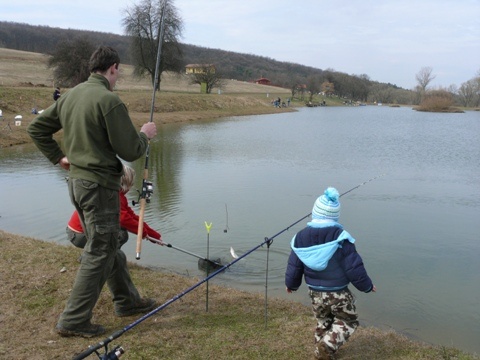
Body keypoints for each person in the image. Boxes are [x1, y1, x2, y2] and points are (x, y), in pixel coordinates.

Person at [27, 46, 158, 338]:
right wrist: (145, 135)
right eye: (119, 70)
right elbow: (131, 150)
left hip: (77, 184)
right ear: (112, 68)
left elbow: (36, 129)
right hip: (98, 188)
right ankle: (73, 320)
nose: (119, 76)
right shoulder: (109, 101)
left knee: (107, 246)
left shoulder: (71, 95)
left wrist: (58, 157)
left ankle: (127, 301)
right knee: (100, 251)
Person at [285, 187, 376, 360]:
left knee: (323, 321)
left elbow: (294, 266)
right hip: (338, 291)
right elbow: (354, 268)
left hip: (314, 292)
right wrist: (367, 286)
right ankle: (327, 346)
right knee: (349, 321)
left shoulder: (300, 237)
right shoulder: (341, 237)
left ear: (314, 213)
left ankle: (321, 352)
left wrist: (291, 284)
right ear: (335, 216)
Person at [67, 164, 163, 249]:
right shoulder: (113, 197)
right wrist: (143, 233)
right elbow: (123, 219)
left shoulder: (116, 195)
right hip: (79, 234)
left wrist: (153, 235)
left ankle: (100, 256)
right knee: (121, 234)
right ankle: (101, 258)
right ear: (126, 183)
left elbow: (132, 217)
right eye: (131, 184)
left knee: (118, 230)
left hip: (78, 232)